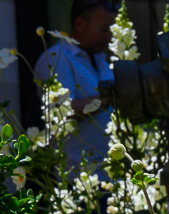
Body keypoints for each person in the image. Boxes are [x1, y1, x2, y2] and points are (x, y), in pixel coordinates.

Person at [32, 0, 119, 172]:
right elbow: (61, 112)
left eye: (112, 30)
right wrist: (110, 98)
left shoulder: (101, 60)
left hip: (111, 177)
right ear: (80, 24)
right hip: (78, 178)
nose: (109, 37)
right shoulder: (57, 59)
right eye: (103, 29)